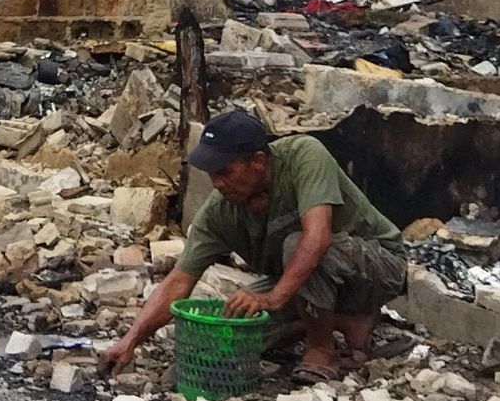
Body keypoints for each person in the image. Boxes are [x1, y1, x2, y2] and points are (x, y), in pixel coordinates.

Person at [97, 110, 408, 384]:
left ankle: (321, 349)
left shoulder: (304, 155)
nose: (217, 183)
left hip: (377, 266)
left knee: (297, 243)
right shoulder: (219, 212)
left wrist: (273, 297)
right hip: (303, 283)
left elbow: (318, 237)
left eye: (225, 172)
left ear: (258, 162)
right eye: (212, 174)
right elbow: (179, 281)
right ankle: (343, 319)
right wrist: (130, 341)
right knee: (228, 334)